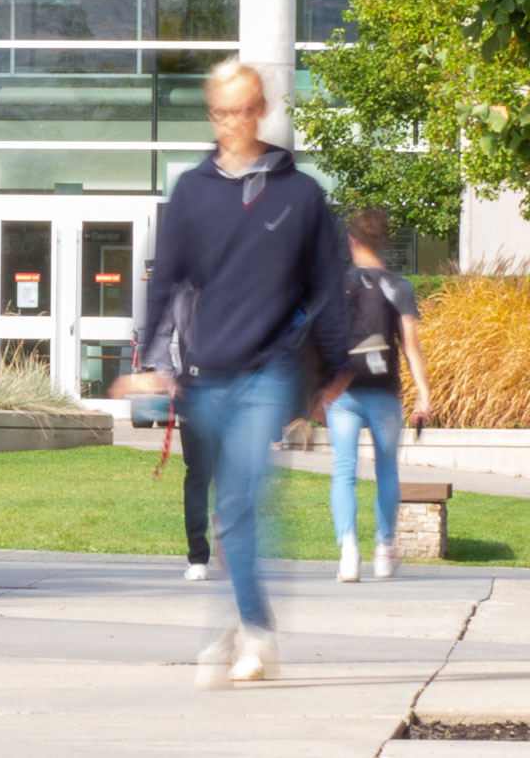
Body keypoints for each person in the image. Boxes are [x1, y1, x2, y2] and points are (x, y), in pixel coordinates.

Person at [114, 57, 350, 686]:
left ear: (262, 109)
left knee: (242, 500)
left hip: (268, 370)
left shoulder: (301, 195)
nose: (232, 123)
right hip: (205, 373)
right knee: (228, 507)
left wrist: (337, 372)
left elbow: (329, 284)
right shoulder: (192, 190)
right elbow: (165, 278)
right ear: (212, 114)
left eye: (244, 109)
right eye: (221, 112)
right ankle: (245, 618)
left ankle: (256, 631)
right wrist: (148, 363)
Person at [329, 208, 431, 583]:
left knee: (344, 472)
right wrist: (424, 393)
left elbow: (327, 340)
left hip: (345, 392)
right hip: (385, 391)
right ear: (385, 242)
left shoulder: (338, 284)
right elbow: (410, 345)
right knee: (387, 470)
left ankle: (348, 552)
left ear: (352, 240)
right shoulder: (399, 286)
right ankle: (384, 550)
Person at [148, 284, 214, 582]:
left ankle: (199, 557)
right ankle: (204, 551)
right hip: (223, 385)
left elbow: (160, 335)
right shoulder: (231, 271)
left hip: (195, 386)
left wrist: (171, 379)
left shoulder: (182, 286)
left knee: (199, 474)